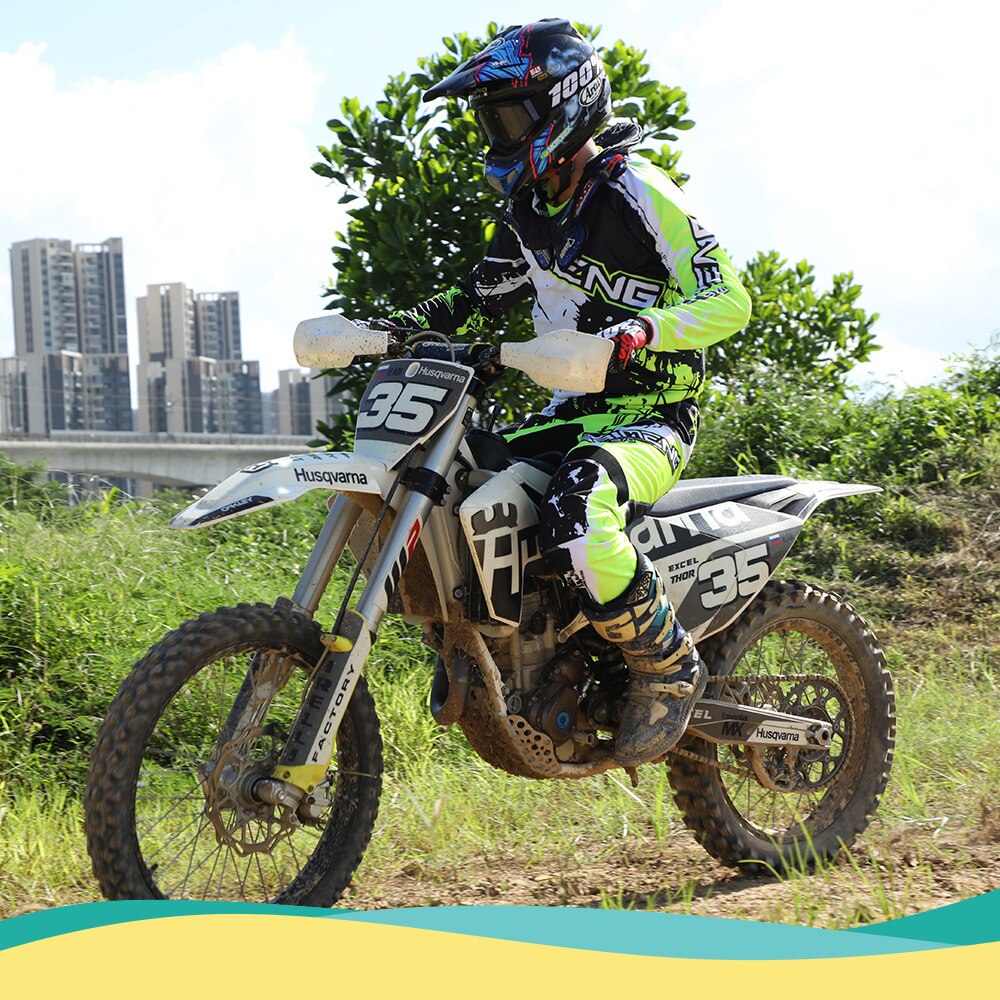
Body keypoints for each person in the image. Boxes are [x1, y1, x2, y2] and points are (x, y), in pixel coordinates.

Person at [375, 18, 752, 767]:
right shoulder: (528, 213)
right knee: (453, 483)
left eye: (509, 118)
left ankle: (669, 668)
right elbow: (473, 298)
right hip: (566, 414)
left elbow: (731, 300)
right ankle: (532, 653)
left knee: (577, 509)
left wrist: (641, 331)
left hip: (651, 417)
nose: (499, 136)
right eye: (491, 122)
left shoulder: (638, 189)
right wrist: (389, 330)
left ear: (565, 104)